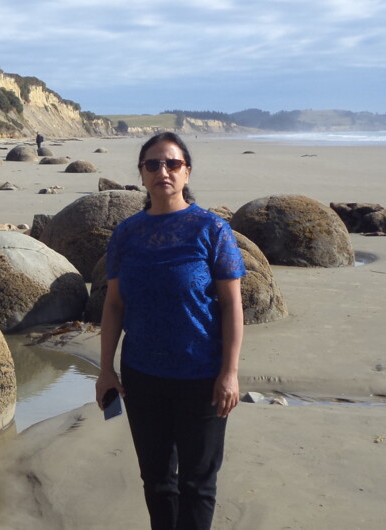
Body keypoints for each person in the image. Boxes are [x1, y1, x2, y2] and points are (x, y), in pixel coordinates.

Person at [96, 132, 245, 530]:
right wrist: (106, 369)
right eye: (153, 164)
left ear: (187, 172)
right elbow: (114, 305)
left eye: (172, 164)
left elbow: (232, 305)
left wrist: (229, 372)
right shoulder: (126, 234)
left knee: (198, 483)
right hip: (143, 376)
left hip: (202, 376)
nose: (163, 171)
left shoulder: (211, 229)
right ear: (142, 175)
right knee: (158, 482)